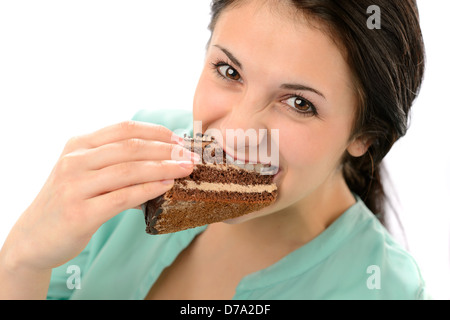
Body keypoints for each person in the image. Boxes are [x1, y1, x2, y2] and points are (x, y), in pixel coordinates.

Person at [0, 0, 428, 299]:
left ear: (363, 136)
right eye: (229, 71)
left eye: (300, 103)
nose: (236, 132)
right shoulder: (149, 150)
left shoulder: (384, 290)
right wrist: (22, 261)